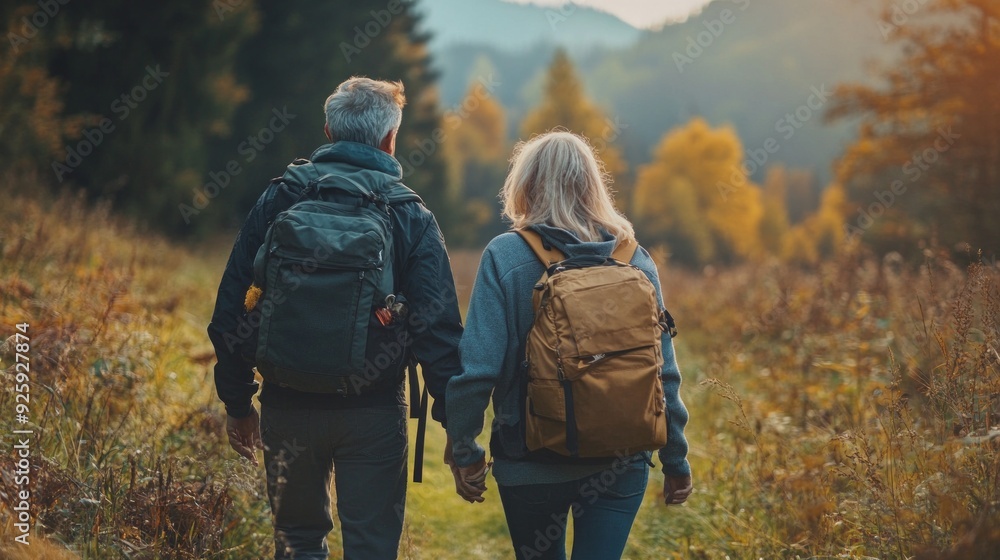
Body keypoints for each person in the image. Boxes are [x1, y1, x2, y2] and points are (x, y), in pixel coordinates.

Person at [207, 77, 463, 560]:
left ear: (328, 131)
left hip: (287, 405)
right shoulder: (410, 214)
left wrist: (238, 402)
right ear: (390, 139)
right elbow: (438, 331)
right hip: (374, 410)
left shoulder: (281, 198)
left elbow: (232, 309)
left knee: (298, 544)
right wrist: (458, 428)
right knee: (370, 548)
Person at [444, 130, 692, 560]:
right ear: (593, 185)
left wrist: (465, 451)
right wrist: (676, 460)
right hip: (621, 461)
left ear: (527, 186)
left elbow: (478, 370)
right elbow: (662, 373)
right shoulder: (634, 258)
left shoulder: (506, 255)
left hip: (530, 461)